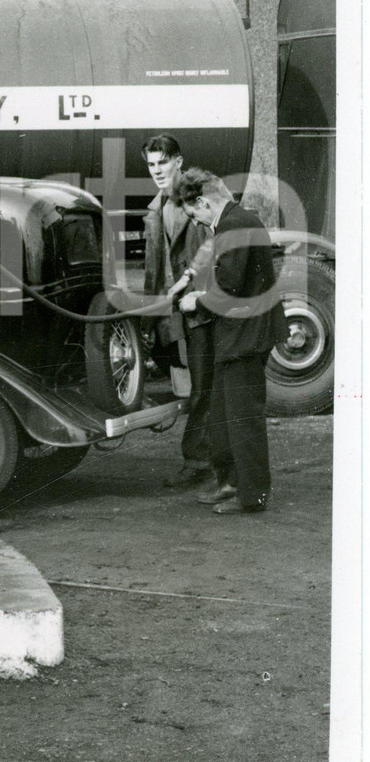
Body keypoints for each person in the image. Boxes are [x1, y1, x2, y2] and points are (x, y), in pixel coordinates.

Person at [172, 168, 288, 515]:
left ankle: (252, 496)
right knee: (224, 414)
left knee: (243, 418)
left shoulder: (233, 226)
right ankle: (231, 482)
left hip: (246, 336)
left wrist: (195, 301)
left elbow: (230, 287)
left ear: (203, 202)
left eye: (194, 214)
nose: (195, 221)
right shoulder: (234, 221)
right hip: (240, 334)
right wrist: (191, 280)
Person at [140, 134, 214, 488]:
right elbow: (152, 272)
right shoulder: (155, 210)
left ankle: (201, 461)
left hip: (205, 308)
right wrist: (149, 319)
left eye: (163, 162)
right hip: (174, 312)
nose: (157, 171)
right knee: (192, 385)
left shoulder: (205, 196)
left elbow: (224, 243)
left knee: (204, 386)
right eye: (151, 164)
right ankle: (206, 458)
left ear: (179, 162)